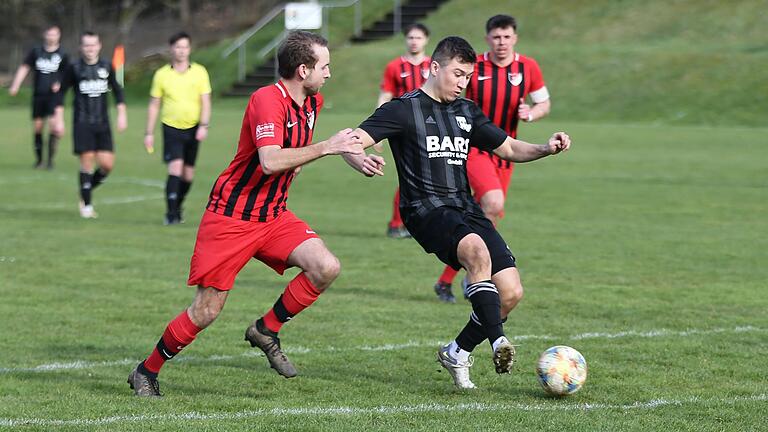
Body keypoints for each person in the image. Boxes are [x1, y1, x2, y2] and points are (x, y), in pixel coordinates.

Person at [127, 31, 379, 397]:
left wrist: (351, 153)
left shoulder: (312, 102)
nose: (329, 73)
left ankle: (265, 329)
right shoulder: (266, 100)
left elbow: (308, 144)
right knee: (207, 310)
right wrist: (328, 147)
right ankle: (145, 372)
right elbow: (271, 159)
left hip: (273, 215)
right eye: (325, 66)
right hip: (231, 217)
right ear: (302, 69)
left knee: (326, 267)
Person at [346, 36, 570, 389]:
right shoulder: (403, 109)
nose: (463, 82)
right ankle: (499, 342)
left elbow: (509, 147)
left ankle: (458, 350)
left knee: (510, 293)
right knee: (476, 253)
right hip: (424, 208)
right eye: (457, 74)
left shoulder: (466, 111)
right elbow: (351, 139)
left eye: (468, 76)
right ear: (435, 68)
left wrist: (546, 147)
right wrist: (360, 159)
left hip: (463, 206)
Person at [433, 14, 551, 303]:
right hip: (474, 148)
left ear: (515, 38)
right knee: (493, 203)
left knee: (488, 216)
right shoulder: (475, 68)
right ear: (488, 39)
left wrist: (531, 114)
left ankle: (448, 280)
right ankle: (473, 276)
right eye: (496, 37)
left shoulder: (528, 67)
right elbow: (454, 98)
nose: (502, 42)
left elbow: (543, 102)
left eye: (507, 36)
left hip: (507, 151)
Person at [53, 31, 127, 219]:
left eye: (93, 45)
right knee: (87, 162)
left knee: (107, 165)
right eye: (86, 45)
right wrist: (59, 119)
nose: (90, 48)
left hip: (103, 123)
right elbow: (61, 94)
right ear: (81, 47)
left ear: (99, 45)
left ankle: (84, 189)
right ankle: (87, 205)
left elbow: (118, 91)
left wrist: (121, 115)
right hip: (82, 123)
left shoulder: (106, 66)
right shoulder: (74, 68)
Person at [144, 32, 212, 225]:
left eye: (185, 47)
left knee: (188, 174)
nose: (181, 51)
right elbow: (154, 104)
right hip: (171, 127)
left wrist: (204, 125)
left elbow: (205, 101)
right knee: (175, 168)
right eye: (177, 47)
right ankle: (171, 214)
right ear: (171, 49)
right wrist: (148, 133)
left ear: (189, 49)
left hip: (193, 128)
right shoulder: (162, 75)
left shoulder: (200, 72)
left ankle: (178, 205)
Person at [376, 23, 431, 239]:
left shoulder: (434, 65)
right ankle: (398, 223)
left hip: (428, 127)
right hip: (404, 128)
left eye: (418, 37)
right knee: (412, 174)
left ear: (426, 40)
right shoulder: (394, 67)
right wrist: (377, 129)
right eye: (410, 37)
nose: (414, 41)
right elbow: (385, 96)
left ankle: (407, 222)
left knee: (421, 175)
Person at [8, 25, 69, 169]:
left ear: (59, 35)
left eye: (54, 34)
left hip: (54, 97)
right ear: (45, 35)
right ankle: (39, 160)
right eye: (49, 34)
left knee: (54, 127)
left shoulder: (63, 54)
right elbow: (24, 67)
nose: (51, 37)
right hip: (38, 95)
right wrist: (16, 85)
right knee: (38, 128)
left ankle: (50, 161)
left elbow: (68, 74)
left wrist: (60, 83)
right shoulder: (36, 51)